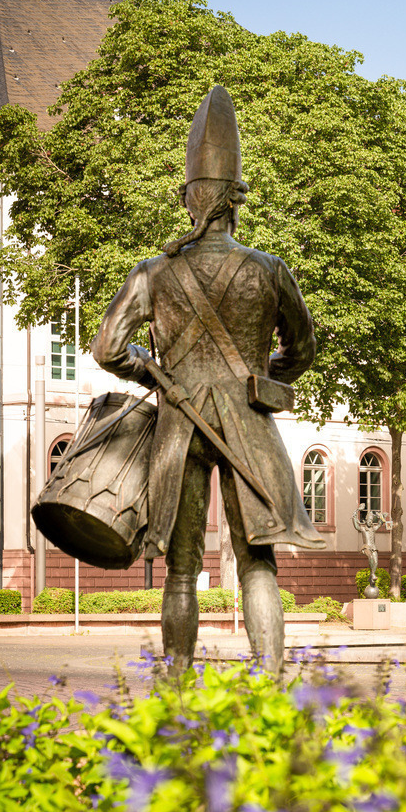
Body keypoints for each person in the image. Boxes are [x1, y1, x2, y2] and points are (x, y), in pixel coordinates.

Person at [92, 87, 326, 675]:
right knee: (258, 563)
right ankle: (269, 680)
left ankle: (175, 684)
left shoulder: (154, 272)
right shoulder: (270, 270)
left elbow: (107, 348)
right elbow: (304, 348)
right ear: (234, 202)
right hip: (248, 422)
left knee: (180, 567)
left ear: (191, 200)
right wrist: (261, 379)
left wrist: (150, 365)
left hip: (180, 421)